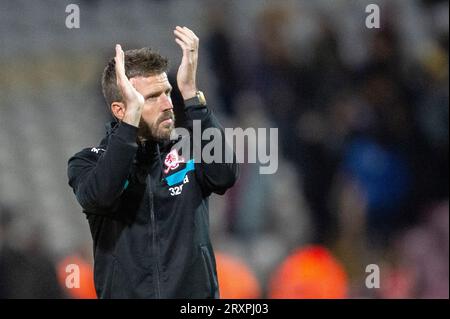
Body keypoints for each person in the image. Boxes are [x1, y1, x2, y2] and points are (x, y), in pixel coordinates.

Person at [67, 26, 239, 298]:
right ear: (120, 109)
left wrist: (191, 94)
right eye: (151, 98)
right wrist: (130, 122)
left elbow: (225, 175)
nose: (168, 104)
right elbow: (102, 195)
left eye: (167, 93)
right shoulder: (87, 162)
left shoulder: (188, 152)